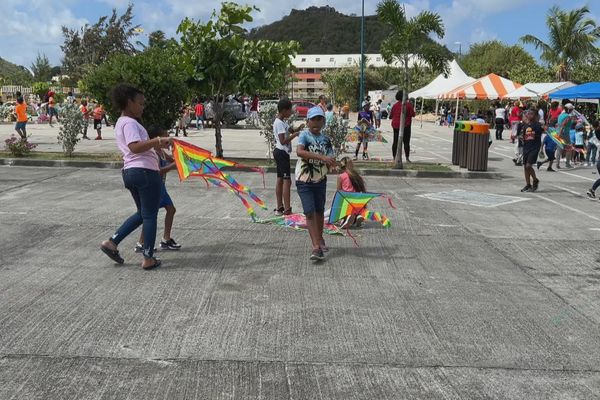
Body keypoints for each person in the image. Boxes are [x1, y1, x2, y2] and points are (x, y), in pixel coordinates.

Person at [100, 83, 170, 270]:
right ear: (129, 102)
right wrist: (157, 140)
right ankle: (148, 257)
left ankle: (112, 242)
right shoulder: (130, 123)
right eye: (140, 103)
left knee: (142, 214)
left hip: (132, 172)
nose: (143, 106)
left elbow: (138, 147)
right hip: (145, 172)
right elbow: (135, 147)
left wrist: (157, 146)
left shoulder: (122, 122)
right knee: (150, 216)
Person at [295, 106, 336, 261]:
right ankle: (316, 247)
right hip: (304, 181)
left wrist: (333, 165)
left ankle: (320, 238)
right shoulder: (304, 135)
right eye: (313, 119)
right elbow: (299, 152)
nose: (316, 123)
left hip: (320, 181)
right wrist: (322, 158)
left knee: (319, 212)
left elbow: (331, 158)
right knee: (309, 212)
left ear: (324, 121)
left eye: (320, 119)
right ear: (307, 121)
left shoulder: (326, 140)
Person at [135, 126, 182, 252]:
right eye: (165, 137)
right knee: (150, 215)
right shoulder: (153, 153)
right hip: (155, 186)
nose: (168, 140)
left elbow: (173, 161)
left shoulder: (161, 152)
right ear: (158, 139)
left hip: (161, 187)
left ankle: (166, 239)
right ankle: (141, 243)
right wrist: (173, 165)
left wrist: (181, 158)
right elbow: (158, 172)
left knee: (171, 210)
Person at [273, 97, 305, 216]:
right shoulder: (279, 123)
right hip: (281, 152)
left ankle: (280, 207)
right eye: (289, 110)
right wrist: (295, 135)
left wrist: (298, 129)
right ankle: (287, 209)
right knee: (287, 181)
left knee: (280, 179)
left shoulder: (283, 122)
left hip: (280, 152)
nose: (291, 112)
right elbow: (283, 141)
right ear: (283, 111)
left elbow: (290, 130)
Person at [337, 156, 366, 229]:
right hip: (358, 200)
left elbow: (339, 192)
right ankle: (358, 216)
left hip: (347, 200)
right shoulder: (357, 176)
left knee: (337, 210)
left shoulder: (341, 176)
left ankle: (346, 218)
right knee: (357, 207)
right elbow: (363, 190)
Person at [520, 109, 543, 192]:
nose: (529, 115)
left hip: (534, 147)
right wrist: (522, 139)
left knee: (528, 165)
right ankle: (528, 184)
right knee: (525, 167)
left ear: (536, 116)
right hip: (526, 147)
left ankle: (535, 180)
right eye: (528, 114)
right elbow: (523, 136)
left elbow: (544, 130)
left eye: (532, 114)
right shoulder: (525, 125)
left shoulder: (538, 125)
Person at [390, 90, 416, 162]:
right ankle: (407, 158)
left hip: (395, 126)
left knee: (395, 142)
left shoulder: (395, 105)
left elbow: (390, 116)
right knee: (406, 142)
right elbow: (413, 114)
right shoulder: (408, 105)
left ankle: (394, 158)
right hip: (406, 126)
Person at [555, 103, 576, 169]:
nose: (572, 110)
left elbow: (559, 124)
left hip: (558, 132)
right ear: (569, 109)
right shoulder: (568, 116)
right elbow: (564, 124)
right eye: (572, 109)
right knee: (569, 148)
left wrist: (558, 133)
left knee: (559, 148)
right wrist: (561, 133)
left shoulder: (560, 115)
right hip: (564, 134)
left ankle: (557, 164)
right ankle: (567, 164)